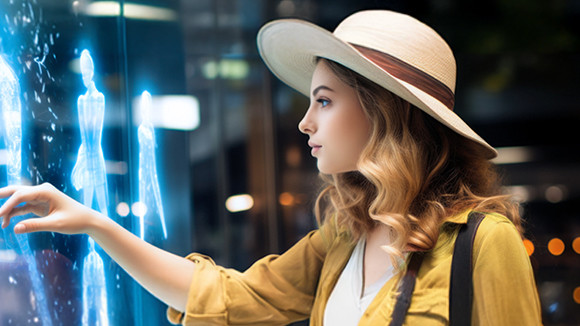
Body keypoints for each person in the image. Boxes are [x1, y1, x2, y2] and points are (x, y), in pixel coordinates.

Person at [0, 10, 542, 325]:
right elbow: (226, 297)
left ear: (383, 110)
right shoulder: (344, 237)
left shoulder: (481, 241)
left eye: (324, 101)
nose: (306, 122)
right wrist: (96, 224)